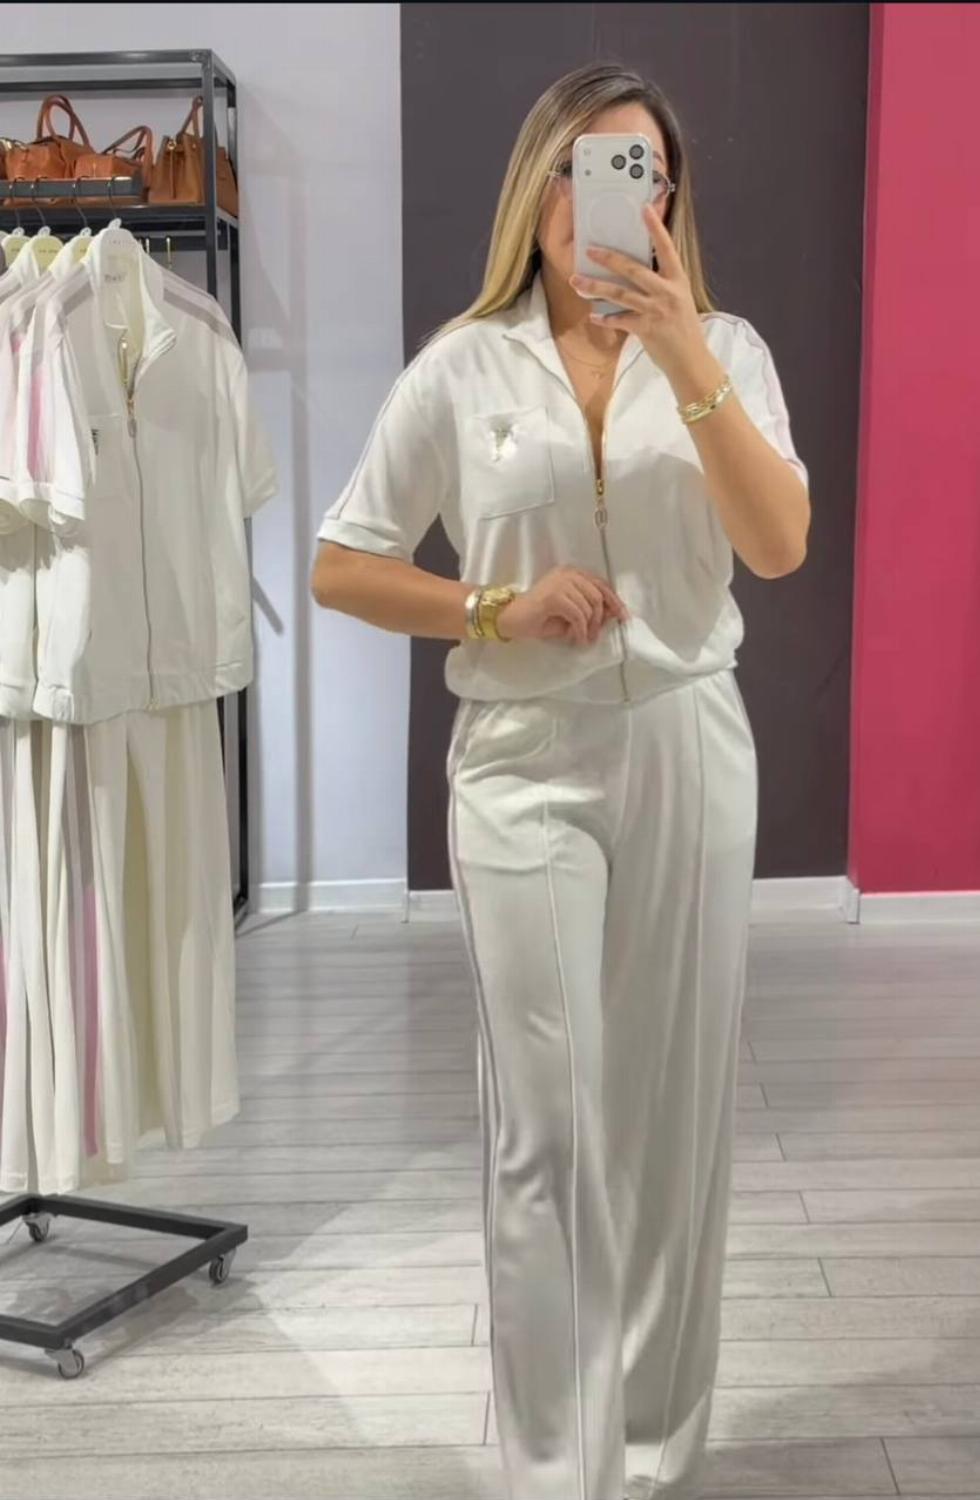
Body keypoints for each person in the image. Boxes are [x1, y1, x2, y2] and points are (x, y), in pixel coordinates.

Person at [312, 61, 809, 1500]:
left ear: (667, 201)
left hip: (690, 744)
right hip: (523, 765)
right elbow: (343, 563)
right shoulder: (462, 368)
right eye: (584, 167)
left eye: (638, 172)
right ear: (537, 187)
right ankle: (555, 1472)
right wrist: (492, 608)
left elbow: (777, 545)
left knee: (674, 1121)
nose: (609, 196)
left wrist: (684, 352)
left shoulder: (728, 348)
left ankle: (653, 1452)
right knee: (548, 1125)